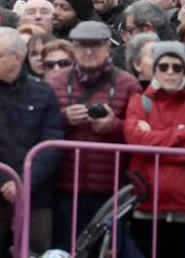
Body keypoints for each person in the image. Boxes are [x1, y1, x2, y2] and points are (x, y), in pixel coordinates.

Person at [0, 28, 65, 258]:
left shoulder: (44, 92)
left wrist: (25, 182)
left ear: (18, 57)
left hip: (35, 193)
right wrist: (3, 181)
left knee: (36, 248)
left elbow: (52, 142)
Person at [45, 20, 142, 248]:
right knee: (66, 248)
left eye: (95, 45)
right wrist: (64, 118)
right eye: (82, 45)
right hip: (64, 187)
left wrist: (113, 126)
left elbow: (139, 131)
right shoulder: (55, 83)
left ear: (108, 47)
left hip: (110, 189)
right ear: (73, 47)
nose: (88, 51)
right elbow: (40, 127)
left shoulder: (127, 83)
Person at [125, 41, 185, 257]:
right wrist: (181, 134)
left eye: (177, 67)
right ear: (155, 70)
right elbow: (135, 139)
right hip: (148, 204)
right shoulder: (139, 102)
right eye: (163, 66)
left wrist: (154, 144)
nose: (170, 72)